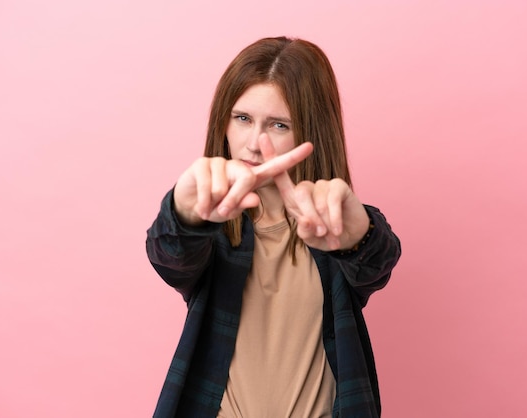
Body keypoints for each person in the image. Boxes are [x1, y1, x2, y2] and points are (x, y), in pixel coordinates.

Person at [146, 36, 401, 418]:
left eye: (278, 125)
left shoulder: (333, 226)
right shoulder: (210, 229)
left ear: (312, 133)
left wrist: (356, 238)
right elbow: (170, 255)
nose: (253, 143)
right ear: (223, 121)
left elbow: (377, 261)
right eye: (243, 118)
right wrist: (183, 209)